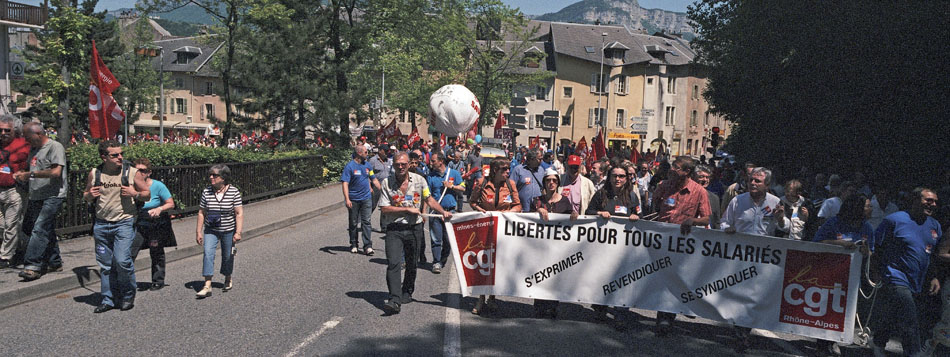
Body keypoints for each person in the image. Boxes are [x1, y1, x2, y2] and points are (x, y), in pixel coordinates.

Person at [869, 188, 942, 356]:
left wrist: (934, 277)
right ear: (915, 200)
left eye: (935, 201)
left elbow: (930, 254)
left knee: (893, 313)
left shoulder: (935, 226)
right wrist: (875, 271)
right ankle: (914, 352)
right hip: (894, 276)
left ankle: (878, 342)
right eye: (928, 200)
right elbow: (877, 248)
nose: (933, 204)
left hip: (917, 280)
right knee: (910, 317)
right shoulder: (894, 220)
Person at [379, 152, 452, 314]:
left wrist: (443, 212)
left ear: (408, 164)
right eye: (397, 164)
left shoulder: (419, 181)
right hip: (394, 228)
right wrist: (406, 209)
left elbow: (429, 199)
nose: (400, 166)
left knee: (412, 263)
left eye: (403, 164)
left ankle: (407, 291)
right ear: (394, 165)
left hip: (414, 229)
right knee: (394, 263)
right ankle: (394, 299)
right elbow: (384, 208)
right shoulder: (386, 183)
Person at [82, 140, 151, 312]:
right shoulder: (95, 173)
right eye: (115, 155)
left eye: (121, 154)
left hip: (124, 223)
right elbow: (85, 195)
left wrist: (135, 193)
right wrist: (89, 195)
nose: (120, 157)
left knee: (122, 261)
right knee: (105, 265)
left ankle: (128, 295)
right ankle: (108, 299)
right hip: (101, 225)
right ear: (104, 157)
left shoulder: (132, 172)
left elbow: (147, 194)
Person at [651, 156, 711, 335]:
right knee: (660, 278)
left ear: (687, 172)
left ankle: (666, 317)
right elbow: (654, 204)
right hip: (661, 240)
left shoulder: (699, 191)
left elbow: (707, 218)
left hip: (682, 243)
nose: (672, 170)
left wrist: (692, 221)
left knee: (675, 280)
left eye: (677, 168)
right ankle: (661, 312)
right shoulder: (665, 185)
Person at [586, 164, 641, 321]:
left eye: (621, 176)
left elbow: (640, 216)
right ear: (609, 177)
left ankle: (621, 313)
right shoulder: (601, 194)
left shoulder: (632, 196)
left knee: (623, 280)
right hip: (603, 247)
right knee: (604, 277)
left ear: (626, 178)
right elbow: (588, 212)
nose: (618, 179)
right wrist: (599, 212)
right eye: (614, 176)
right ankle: (600, 308)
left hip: (624, 248)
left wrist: (635, 218)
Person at [15, 122, 68, 282]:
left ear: (38, 134)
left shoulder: (54, 147)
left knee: (40, 228)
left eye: (27, 137)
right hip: (37, 195)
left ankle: (32, 266)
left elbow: (56, 172)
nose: (26, 140)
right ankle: (54, 261)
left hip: (53, 195)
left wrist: (31, 175)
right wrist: (23, 174)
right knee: (37, 228)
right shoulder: (34, 149)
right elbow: (33, 169)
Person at [470, 157, 521, 315]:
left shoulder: (510, 184)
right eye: (504, 169)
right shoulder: (482, 183)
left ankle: (492, 297)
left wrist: (507, 213)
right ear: (495, 170)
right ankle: (480, 298)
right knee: (484, 262)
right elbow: (472, 201)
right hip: (485, 229)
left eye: (508, 169)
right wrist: (480, 210)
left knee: (498, 264)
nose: (507, 172)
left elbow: (518, 205)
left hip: (503, 229)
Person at [531, 167, 577, 318]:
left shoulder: (564, 201)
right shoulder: (537, 201)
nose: (551, 183)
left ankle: (552, 306)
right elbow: (526, 220)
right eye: (548, 180)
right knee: (540, 274)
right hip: (540, 246)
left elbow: (571, 219)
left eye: (554, 180)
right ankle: (539, 305)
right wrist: (537, 211)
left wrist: (574, 215)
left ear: (558, 183)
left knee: (555, 275)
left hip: (557, 247)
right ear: (544, 183)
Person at [195, 164, 243, 299]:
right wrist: (198, 231)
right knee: (208, 253)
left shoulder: (233, 192)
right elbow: (201, 212)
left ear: (223, 177)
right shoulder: (207, 192)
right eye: (210, 175)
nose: (211, 177)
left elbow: (239, 213)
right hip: (211, 229)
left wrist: (238, 232)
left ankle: (227, 277)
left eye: (215, 175)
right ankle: (207, 285)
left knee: (228, 256)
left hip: (228, 230)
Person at [130, 158, 177, 291]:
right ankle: (127, 282)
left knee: (156, 252)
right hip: (138, 222)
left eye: (143, 171)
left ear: (149, 172)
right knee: (130, 252)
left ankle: (158, 280)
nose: (140, 173)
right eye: (137, 170)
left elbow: (170, 203)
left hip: (155, 223)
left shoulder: (157, 186)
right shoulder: (131, 187)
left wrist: (159, 209)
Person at [425, 151, 464, 274]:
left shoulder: (454, 173)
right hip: (435, 212)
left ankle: (442, 259)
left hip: (450, 212)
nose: (431, 163)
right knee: (436, 239)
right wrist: (424, 211)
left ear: (441, 161)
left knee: (448, 241)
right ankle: (436, 262)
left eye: (433, 161)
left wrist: (452, 186)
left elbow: (463, 188)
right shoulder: (430, 176)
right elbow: (427, 196)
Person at [0, 115, 29, 268]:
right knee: (3, 226)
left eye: (7, 130)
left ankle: (6, 257)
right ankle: (20, 249)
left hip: (14, 191)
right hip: (1, 189)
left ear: (15, 131)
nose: (3, 133)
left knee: (11, 224)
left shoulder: (23, 145)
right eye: (0, 130)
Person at [340, 145, 381, 255]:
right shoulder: (350, 166)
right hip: (353, 199)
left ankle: (367, 246)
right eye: (366, 152)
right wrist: (347, 199)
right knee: (353, 223)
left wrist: (383, 189)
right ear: (359, 153)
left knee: (366, 222)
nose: (367, 154)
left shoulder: (368, 166)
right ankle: (354, 244)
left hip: (366, 198)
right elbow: (345, 183)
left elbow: (374, 179)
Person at [693, 165, 720, 229]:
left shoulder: (714, 198)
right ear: (693, 177)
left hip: (707, 235)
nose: (705, 180)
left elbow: (716, 222)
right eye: (701, 177)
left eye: (707, 177)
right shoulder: (686, 195)